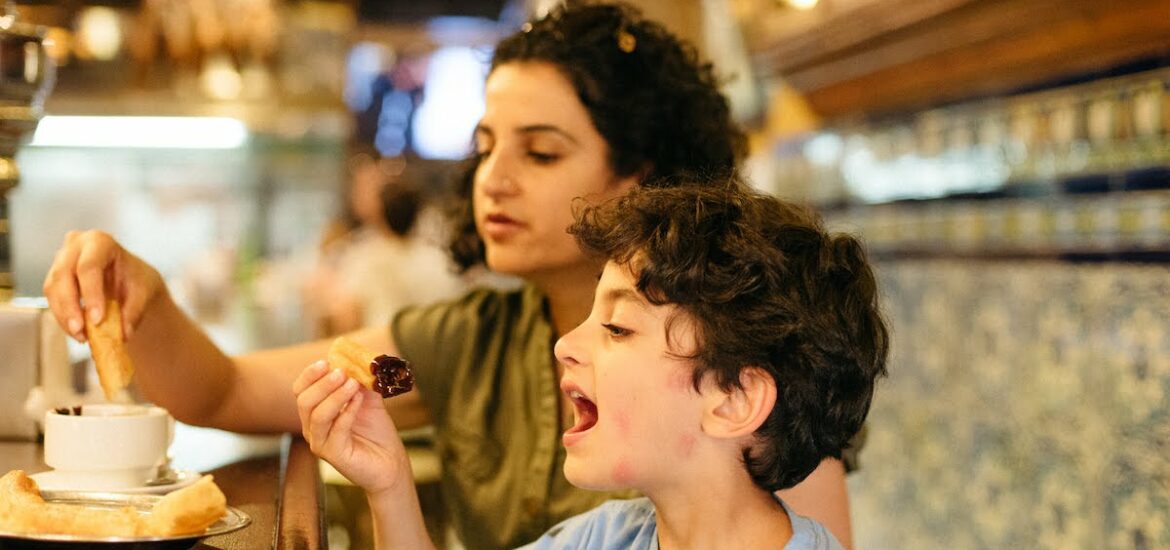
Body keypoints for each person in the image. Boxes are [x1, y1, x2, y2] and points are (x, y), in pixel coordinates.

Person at [40, 2, 861, 548]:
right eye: (483, 147)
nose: (492, 180)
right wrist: (141, 299)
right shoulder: (465, 342)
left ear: (643, 180)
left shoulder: (756, 395)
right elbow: (222, 392)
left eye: (540, 152)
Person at [294, 182, 889, 550]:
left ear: (733, 400)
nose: (563, 346)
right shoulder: (607, 537)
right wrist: (390, 486)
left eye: (617, 327)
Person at [303, 150, 464, 336]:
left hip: (380, 355)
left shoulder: (366, 259)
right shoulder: (439, 259)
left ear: (382, 206)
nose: (360, 195)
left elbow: (346, 320)